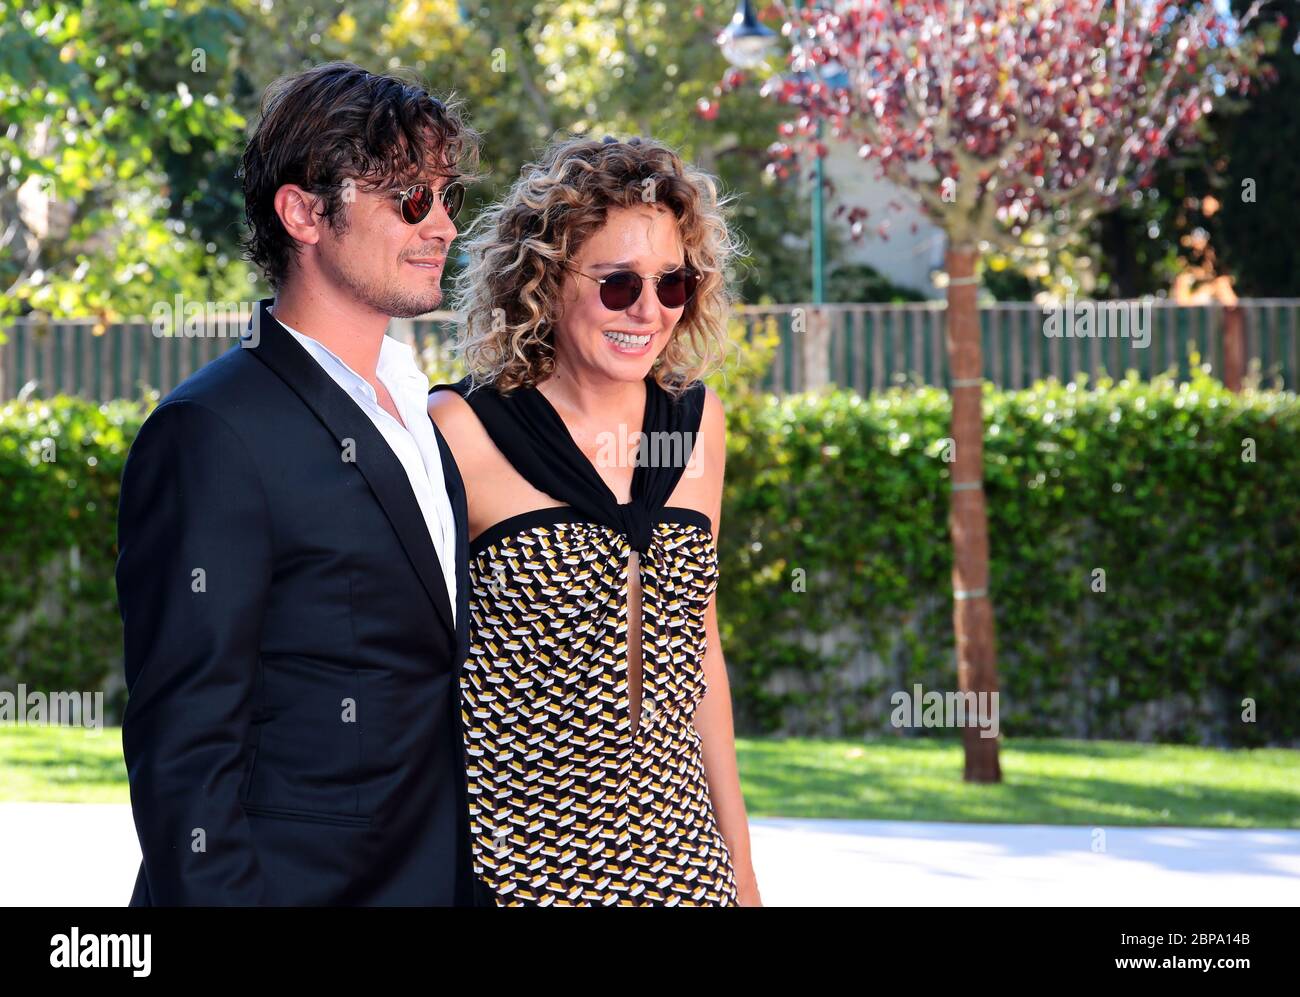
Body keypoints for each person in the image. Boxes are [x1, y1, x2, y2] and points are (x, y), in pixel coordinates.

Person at [115, 62, 492, 905]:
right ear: (303, 212)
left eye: (445, 196)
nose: (440, 225)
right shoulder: (211, 431)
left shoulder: (425, 413)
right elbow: (186, 753)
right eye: (408, 198)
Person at [429, 136, 762, 906]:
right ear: (544, 280)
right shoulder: (461, 430)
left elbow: (700, 650)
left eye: (673, 283)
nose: (649, 310)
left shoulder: (698, 422)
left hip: (686, 868)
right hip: (518, 875)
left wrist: (741, 871)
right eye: (618, 284)